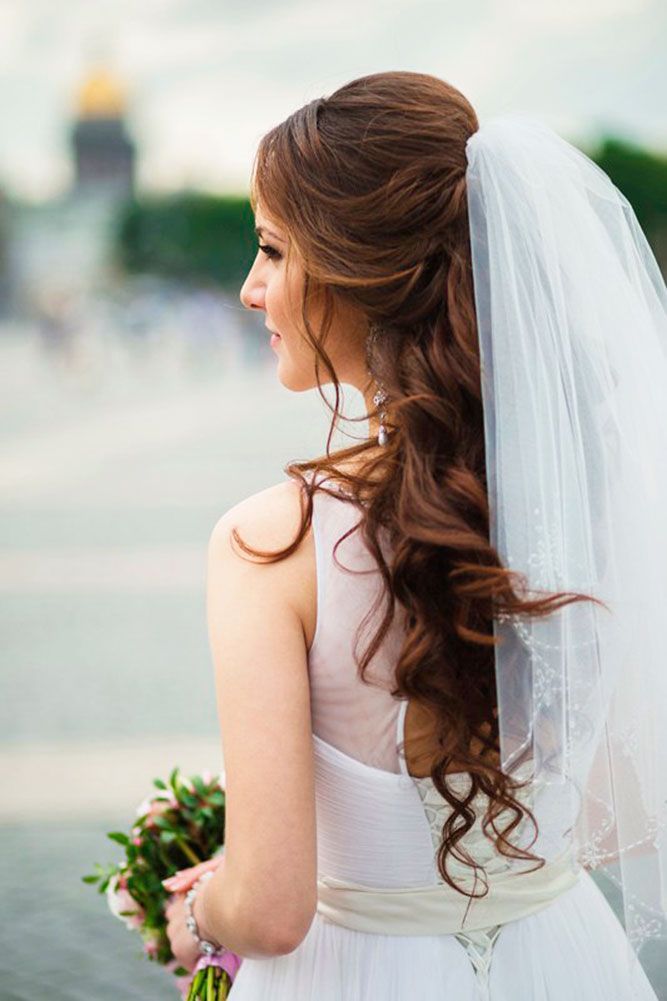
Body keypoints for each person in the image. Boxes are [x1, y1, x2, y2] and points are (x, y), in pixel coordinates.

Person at [164, 71, 666, 999]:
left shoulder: (269, 546)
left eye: (272, 251)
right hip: (563, 957)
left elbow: (270, 909)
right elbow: (620, 814)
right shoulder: (585, 499)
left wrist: (193, 913)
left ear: (357, 272)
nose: (248, 288)